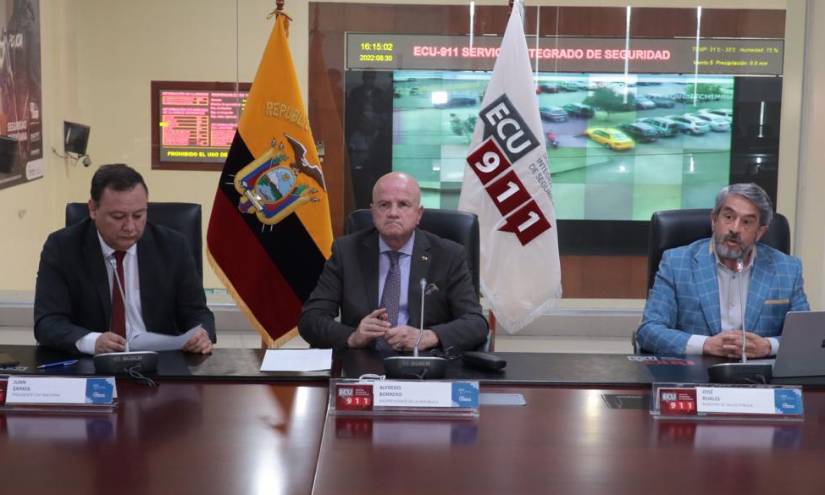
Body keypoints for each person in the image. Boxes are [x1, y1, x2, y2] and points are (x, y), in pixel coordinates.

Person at [34, 164, 215, 355]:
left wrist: (201, 334)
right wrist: (93, 341)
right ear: (93, 209)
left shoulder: (173, 246)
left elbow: (197, 312)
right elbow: (47, 323)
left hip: (160, 363)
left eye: (138, 215)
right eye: (118, 216)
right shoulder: (62, 247)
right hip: (91, 364)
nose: (130, 227)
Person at [299, 172, 488, 352]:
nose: (393, 213)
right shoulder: (346, 251)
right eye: (384, 205)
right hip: (363, 363)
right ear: (373, 211)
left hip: (423, 363)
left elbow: (476, 323)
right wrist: (352, 336)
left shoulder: (449, 255)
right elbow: (310, 319)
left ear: (419, 213)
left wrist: (428, 337)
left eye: (403, 204)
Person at [637, 183, 809, 357]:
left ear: (760, 232)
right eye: (728, 216)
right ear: (714, 220)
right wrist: (706, 344)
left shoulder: (787, 269)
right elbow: (649, 331)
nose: (735, 228)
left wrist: (768, 346)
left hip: (760, 376)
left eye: (747, 222)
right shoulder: (677, 263)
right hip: (693, 374)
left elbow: (806, 335)